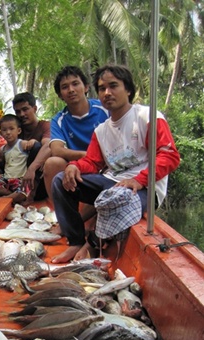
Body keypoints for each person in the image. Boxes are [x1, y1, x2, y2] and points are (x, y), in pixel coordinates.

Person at [51, 64, 180, 263]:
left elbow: (169, 156)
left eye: (113, 86)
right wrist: (74, 166)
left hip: (143, 188)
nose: (107, 92)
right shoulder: (101, 130)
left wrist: (139, 179)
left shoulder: (147, 116)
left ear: (127, 89)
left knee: (119, 196)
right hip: (112, 183)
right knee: (60, 181)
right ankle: (75, 240)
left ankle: (92, 244)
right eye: (102, 88)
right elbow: (93, 162)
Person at [43, 66, 109, 205]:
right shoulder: (59, 119)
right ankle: (59, 214)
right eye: (65, 87)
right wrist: (86, 156)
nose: (71, 90)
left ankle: (90, 217)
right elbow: (56, 150)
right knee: (52, 163)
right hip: (78, 166)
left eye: (75, 83)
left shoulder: (105, 109)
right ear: (60, 95)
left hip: (108, 164)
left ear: (85, 87)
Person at [0, 114, 37, 205]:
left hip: (20, 180)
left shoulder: (21, 144)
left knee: (25, 189)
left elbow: (35, 146)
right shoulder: (2, 149)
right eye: (4, 130)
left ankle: (6, 199)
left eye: (11, 129)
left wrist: (33, 141)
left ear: (18, 130)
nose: (8, 132)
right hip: (6, 180)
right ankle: (11, 196)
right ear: (1, 133)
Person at [12, 91, 50, 201]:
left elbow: (48, 145)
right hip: (17, 177)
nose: (22, 114)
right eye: (18, 111)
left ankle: (29, 195)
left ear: (34, 108)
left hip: (37, 182)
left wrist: (32, 169)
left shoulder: (45, 126)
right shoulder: (16, 130)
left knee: (37, 147)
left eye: (25, 109)